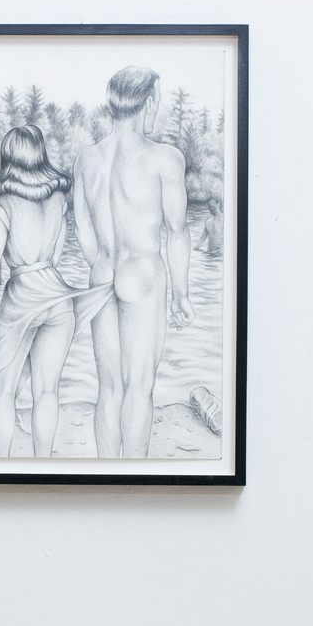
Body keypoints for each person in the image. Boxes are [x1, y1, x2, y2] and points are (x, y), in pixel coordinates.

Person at [0, 125, 111, 458]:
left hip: (20, 303)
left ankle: (0, 466)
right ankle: (43, 464)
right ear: (40, 153)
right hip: (58, 301)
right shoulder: (57, 199)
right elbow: (54, 258)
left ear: (8, 156)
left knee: (3, 394)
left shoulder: (3, 204)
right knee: (47, 392)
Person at [73, 67, 194, 458]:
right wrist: (181, 294)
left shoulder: (87, 159)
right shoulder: (165, 158)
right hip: (142, 274)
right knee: (138, 387)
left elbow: (82, 225)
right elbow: (176, 231)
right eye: (157, 99)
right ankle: (134, 473)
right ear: (149, 102)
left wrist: (100, 263)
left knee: (109, 389)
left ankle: (107, 471)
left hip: (102, 273)